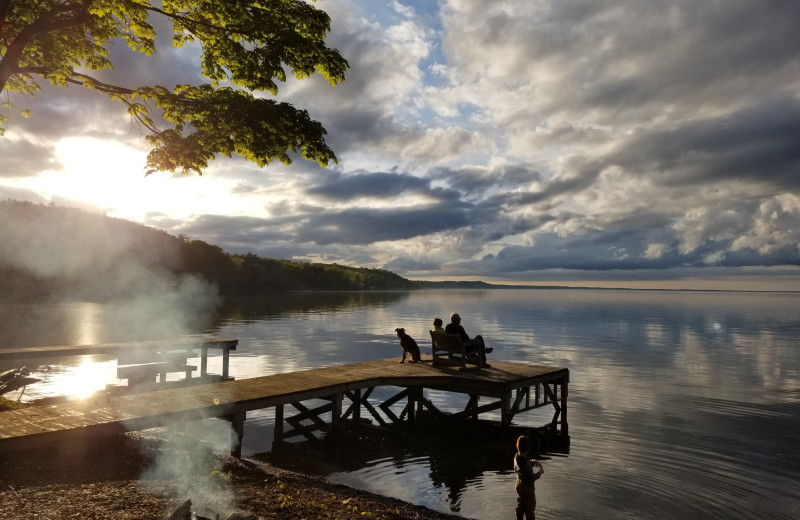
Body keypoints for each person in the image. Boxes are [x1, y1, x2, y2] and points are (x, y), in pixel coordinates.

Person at [513, 435, 544, 520]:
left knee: (521, 504)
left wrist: (533, 461)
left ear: (517, 446)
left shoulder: (516, 457)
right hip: (527, 488)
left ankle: (519, 517)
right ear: (528, 448)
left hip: (518, 484)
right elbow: (531, 478)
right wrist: (539, 473)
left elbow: (523, 465)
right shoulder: (526, 463)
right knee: (530, 508)